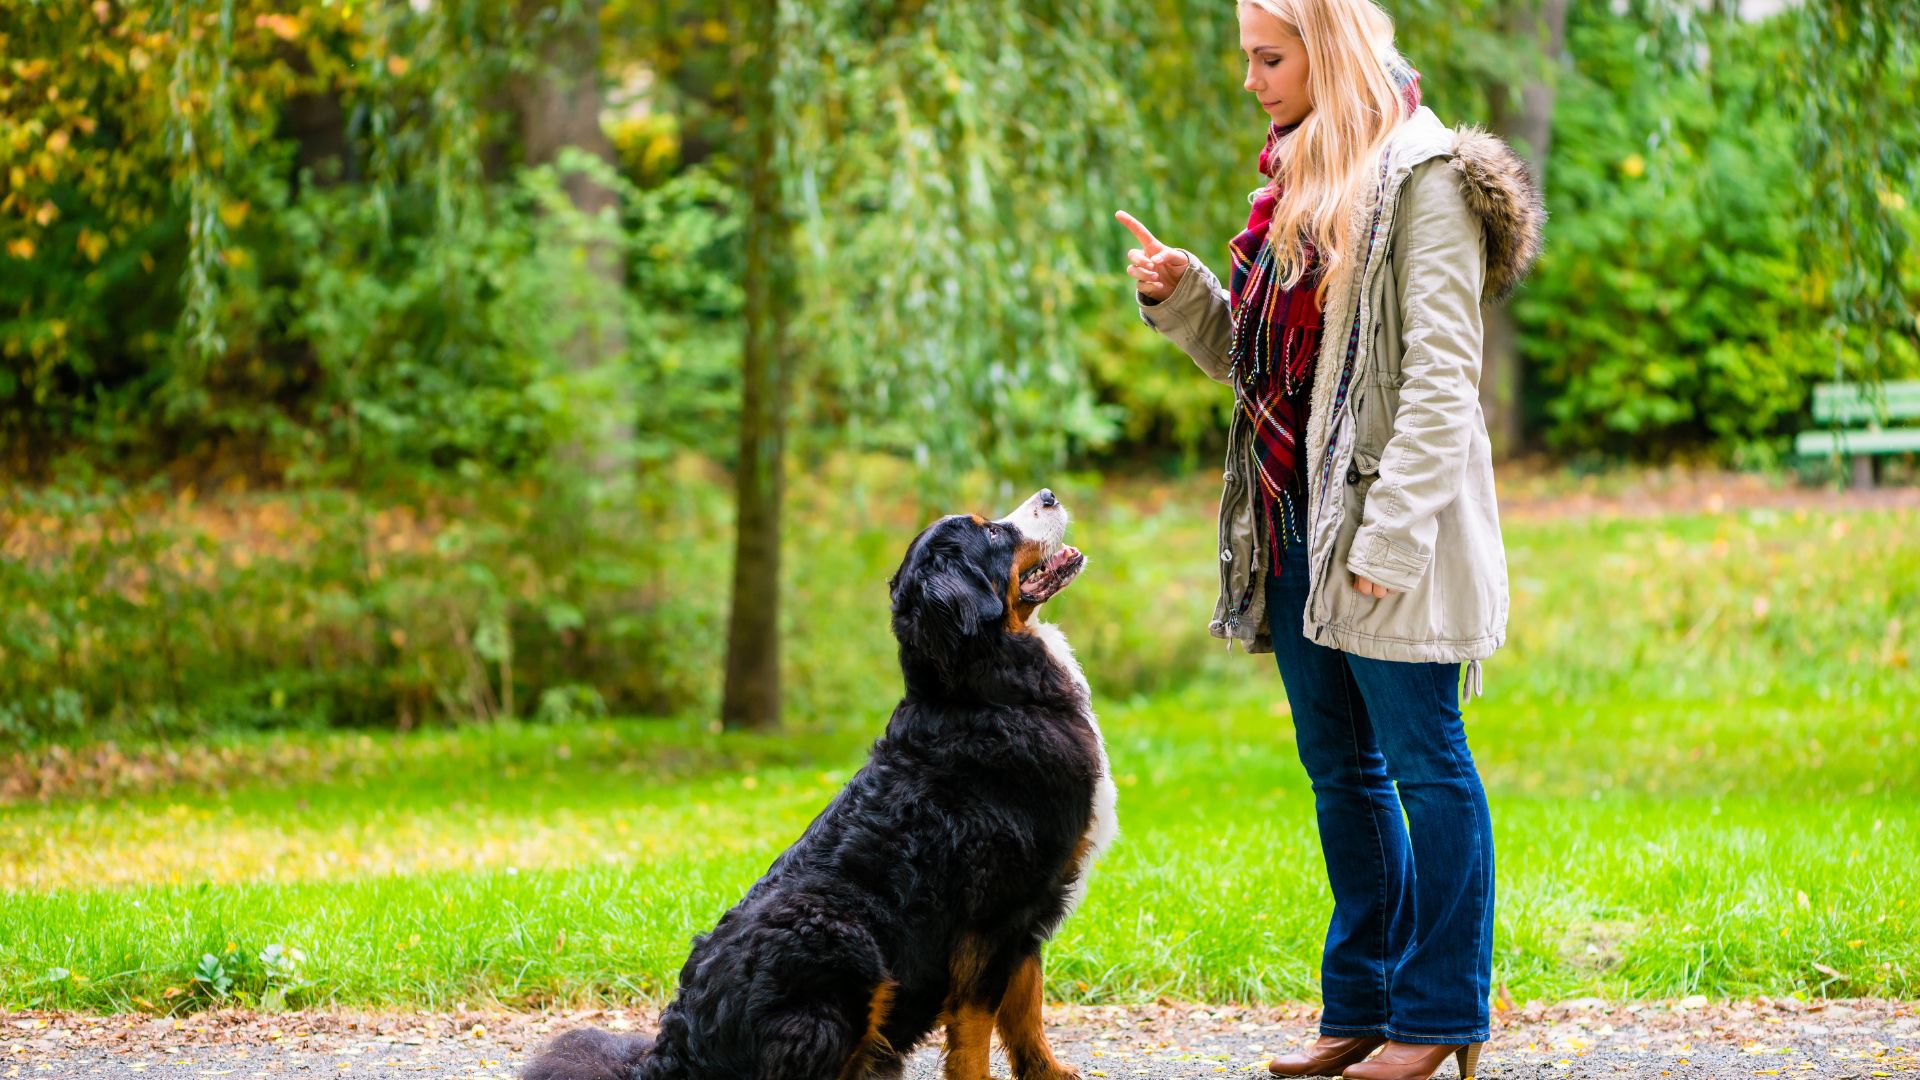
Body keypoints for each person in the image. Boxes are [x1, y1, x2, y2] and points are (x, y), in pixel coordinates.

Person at [1115, 1, 1545, 1077]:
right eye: (1247, 58)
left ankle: (1442, 1015)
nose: (1252, 79)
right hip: (1296, 518)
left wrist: (1390, 544)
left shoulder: (1426, 177)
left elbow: (1444, 385)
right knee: (1340, 771)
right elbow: (1278, 378)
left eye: (1270, 57)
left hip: (1388, 528)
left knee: (1424, 763)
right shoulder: (1298, 179)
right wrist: (1189, 300)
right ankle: (1364, 1002)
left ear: (1330, 47)